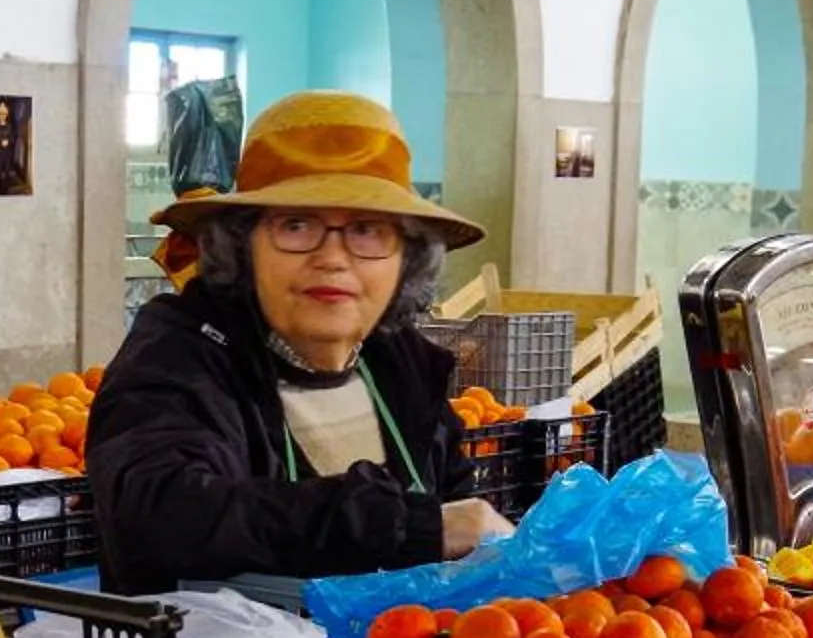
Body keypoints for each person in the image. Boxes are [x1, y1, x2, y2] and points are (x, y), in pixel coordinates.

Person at [88, 91, 511, 595]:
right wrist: (409, 528)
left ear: (406, 260)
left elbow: (456, 527)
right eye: (296, 224)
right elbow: (162, 514)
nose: (333, 257)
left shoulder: (404, 367)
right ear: (243, 246)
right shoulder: (179, 356)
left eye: (368, 230)